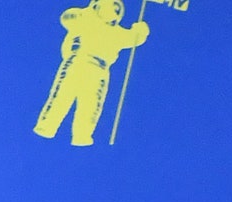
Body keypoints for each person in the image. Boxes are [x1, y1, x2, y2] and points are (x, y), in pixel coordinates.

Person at [33, 0, 148, 148]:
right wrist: (87, 13)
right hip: (78, 61)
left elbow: (133, 38)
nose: (111, 11)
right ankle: (46, 126)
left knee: (91, 105)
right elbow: (67, 17)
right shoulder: (85, 19)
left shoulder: (117, 32)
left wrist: (140, 31)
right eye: (107, 6)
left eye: (115, 10)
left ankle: (82, 135)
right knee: (62, 95)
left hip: (100, 69)